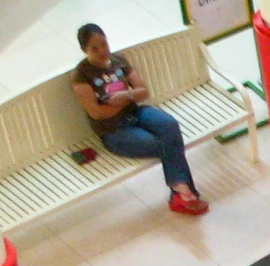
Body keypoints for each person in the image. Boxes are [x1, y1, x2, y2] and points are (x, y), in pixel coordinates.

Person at [69, 23, 208, 214]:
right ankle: (184, 193)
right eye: (95, 48)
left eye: (103, 43)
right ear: (85, 50)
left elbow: (143, 91)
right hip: (114, 131)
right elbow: (97, 113)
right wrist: (126, 100)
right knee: (164, 144)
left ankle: (181, 193)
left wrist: (125, 97)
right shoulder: (81, 76)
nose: (102, 50)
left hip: (136, 113)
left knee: (170, 126)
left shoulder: (118, 61)